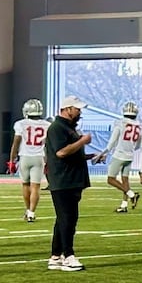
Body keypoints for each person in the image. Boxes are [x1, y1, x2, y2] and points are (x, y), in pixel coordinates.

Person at [44, 95, 91, 272]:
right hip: (63, 180)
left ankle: (55, 256)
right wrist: (82, 141)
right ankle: (68, 255)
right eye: (77, 108)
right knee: (68, 220)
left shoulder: (68, 128)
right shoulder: (57, 128)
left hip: (70, 179)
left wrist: (87, 156)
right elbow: (61, 153)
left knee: (63, 219)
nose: (79, 112)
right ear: (67, 109)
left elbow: (69, 153)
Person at [94, 101, 142, 217]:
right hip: (130, 156)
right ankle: (124, 205)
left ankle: (131, 195)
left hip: (119, 155)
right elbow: (139, 144)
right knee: (125, 181)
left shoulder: (120, 123)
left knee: (111, 179)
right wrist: (131, 149)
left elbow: (112, 142)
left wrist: (103, 153)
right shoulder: (138, 125)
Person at [9, 98, 46, 223]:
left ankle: (28, 210)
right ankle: (31, 212)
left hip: (24, 156)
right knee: (35, 187)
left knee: (25, 185)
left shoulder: (20, 124)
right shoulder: (47, 125)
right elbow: (48, 144)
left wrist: (12, 159)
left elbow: (16, 142)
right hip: (39, 157)